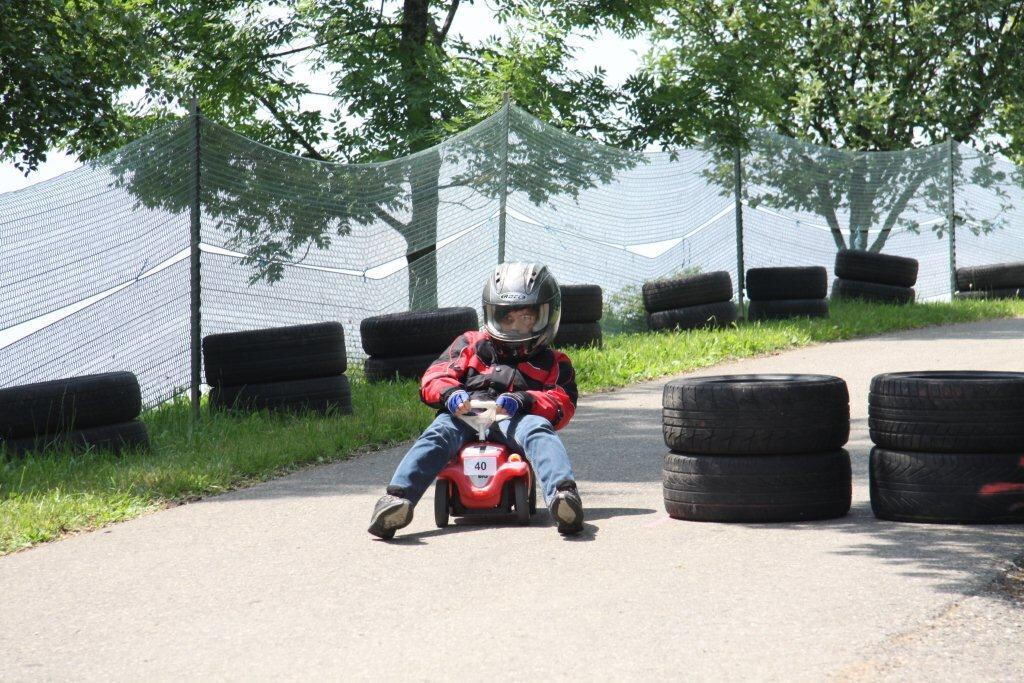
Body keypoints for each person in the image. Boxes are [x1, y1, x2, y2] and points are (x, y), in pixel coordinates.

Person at [368, 262, 584, 539]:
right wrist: (449, 394)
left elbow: (562, 402)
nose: (516, 326)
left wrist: (524, 399)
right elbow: (436, 375)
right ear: (492, 314)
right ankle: (397, 499)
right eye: (507, 318)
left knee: (538, 431)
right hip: (464, 415)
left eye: (526, 318)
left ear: (546, 315)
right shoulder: (470, 344)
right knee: (436, 434)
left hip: (514, 419)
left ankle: (563, 496)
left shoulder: (554, 362)